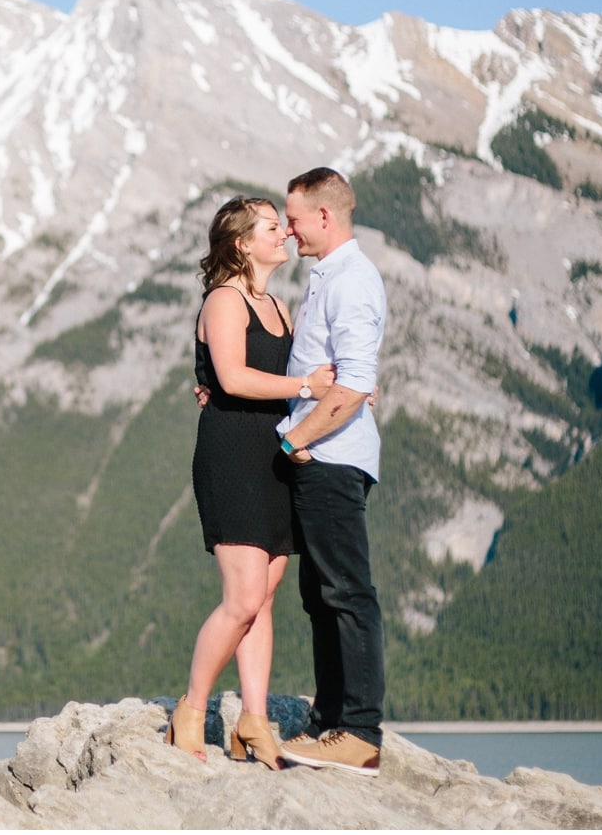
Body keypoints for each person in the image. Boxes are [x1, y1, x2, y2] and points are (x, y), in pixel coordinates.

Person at [166, 196, 335, 769]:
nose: (284, 234)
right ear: (242, 243)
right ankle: (191, 710)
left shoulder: (278, 306)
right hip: (232, 455)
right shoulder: (224, 299)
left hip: (275, 457)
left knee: (263, 599)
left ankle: (253, 722)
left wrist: (340, 389)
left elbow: (290, 376)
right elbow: (234, 379)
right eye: (271, 227)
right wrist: (306, 386)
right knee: (240, 598)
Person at [273, 166, 388, 776]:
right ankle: (329, 723)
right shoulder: (327, 280)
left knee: (346, 593)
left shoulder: (352, 282)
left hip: (333, 459)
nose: (289, 231)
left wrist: (294, 439)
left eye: (293, 219)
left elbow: (351, 388)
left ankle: (361, 732)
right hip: (323, 457)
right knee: (320, 595)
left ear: (325, 215)